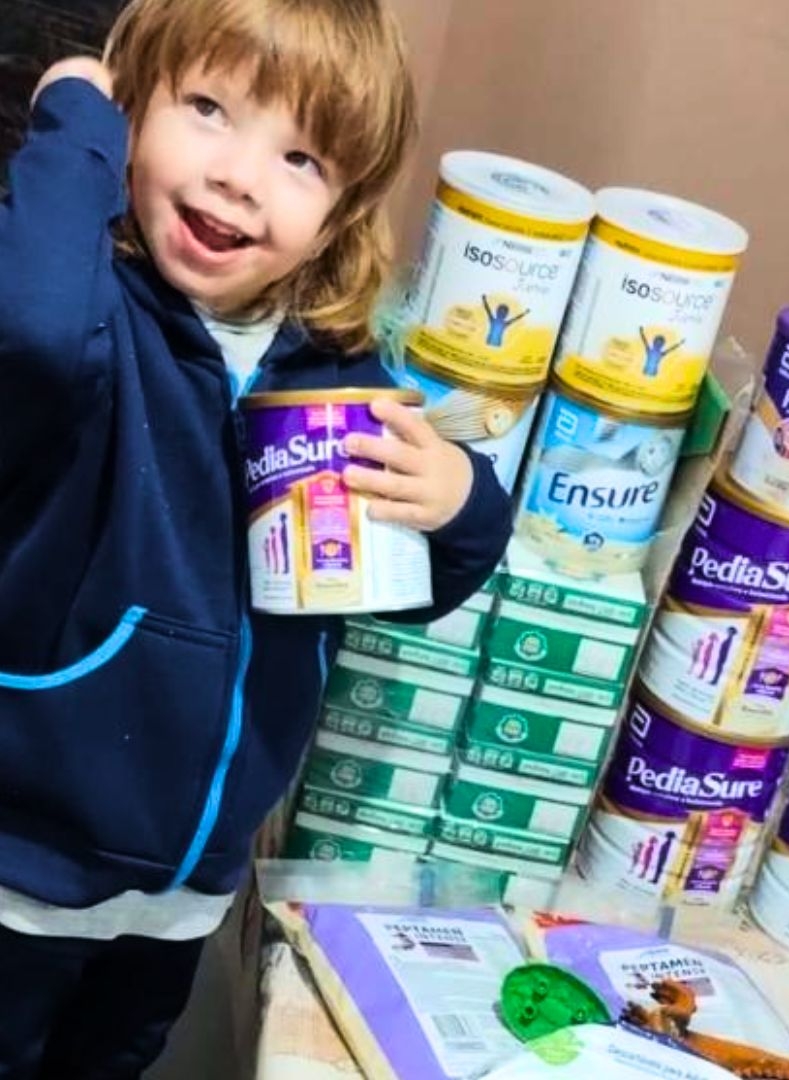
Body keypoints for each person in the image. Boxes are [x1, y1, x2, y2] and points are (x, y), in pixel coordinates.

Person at [0, 0, 511, 1075]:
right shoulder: (92, 318)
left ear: (339, 214)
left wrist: (461, 501)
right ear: (132, 103)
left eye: (301, 159)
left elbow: (406, 580)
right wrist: (76, 117)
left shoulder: (329, 369)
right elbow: (30, 333)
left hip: (185, 893)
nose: (238, 177)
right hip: (24, 869)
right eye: (206, 108)